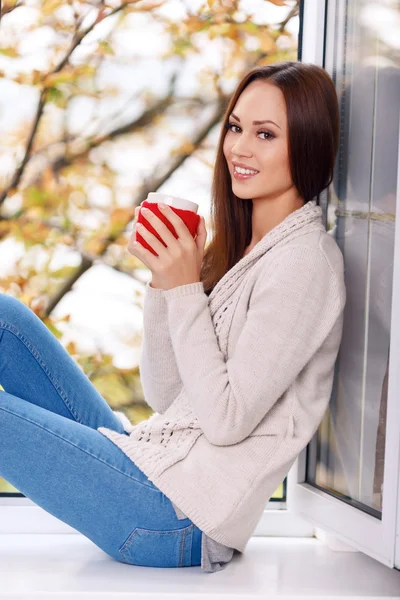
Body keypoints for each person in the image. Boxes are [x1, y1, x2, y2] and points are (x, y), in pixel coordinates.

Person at [0, 60, 346, 573]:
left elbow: (227, 422)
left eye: (266, 134)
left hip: (176, 520)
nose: (240, 148)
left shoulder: (306, 264)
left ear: (310, 145)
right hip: (149, 465)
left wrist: (185, 289)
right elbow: (166, 396)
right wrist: (166, 284)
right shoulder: (248, 251)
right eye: (235, 127)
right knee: (6, 318)